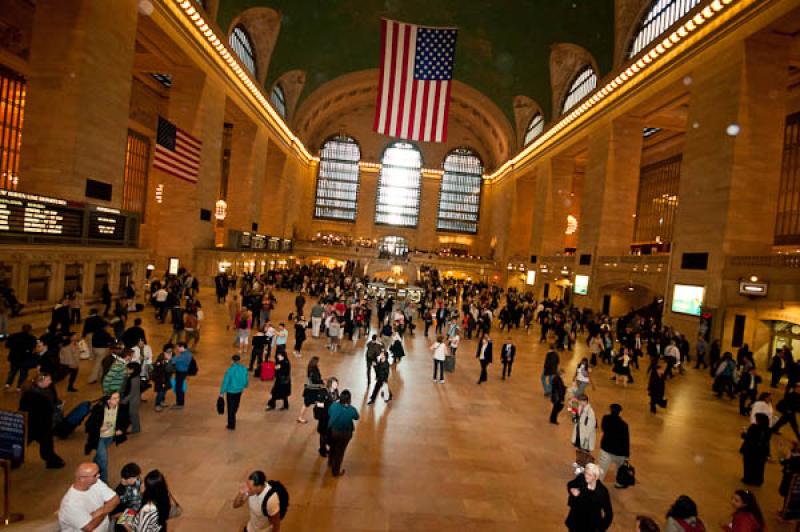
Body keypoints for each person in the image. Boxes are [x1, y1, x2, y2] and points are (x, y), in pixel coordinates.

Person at [19, 372, 65, 468]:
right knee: (46, 444)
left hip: (37, 424)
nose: (51, 382)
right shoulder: (32, 395)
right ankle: (52, 461)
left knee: (25, 442)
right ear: (40, 382)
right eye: (48, 380)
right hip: (38, 424)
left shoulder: (45, 391)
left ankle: (14, 460)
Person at [58, 462, 120, 532]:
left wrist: (99, 512)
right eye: (95, 475)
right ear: (82, 478)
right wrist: (106, 510)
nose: (99, 475)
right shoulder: (70, 504)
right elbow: (89, 527)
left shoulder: (96, 482)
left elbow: (115, 499)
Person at [84, 392, 129, 482]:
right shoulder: (99, 409)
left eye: (118, 397)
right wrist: (99, 429)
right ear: (108, 400)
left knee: (99, 456)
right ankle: (103, 481)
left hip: (110, 437)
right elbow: (88, 424)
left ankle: (92, 468)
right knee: (104, 459)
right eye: (114, 398)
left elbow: (126, 420)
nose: (118, 400)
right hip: (99, 437)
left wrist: (121, 429)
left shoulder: (122, 408)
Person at [565, 462, 613, 531]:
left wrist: (601, 529)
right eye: (586, 473)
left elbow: (609, 514)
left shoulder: (602, 492)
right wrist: (571, 490)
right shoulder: (581, 478)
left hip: (590, 524)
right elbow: (570, 484)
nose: (586, 476)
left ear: (596, 477)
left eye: (590, 475)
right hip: (575, 519)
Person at [328, 390, 359, 477]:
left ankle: (330, 462)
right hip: (345, 434)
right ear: (349, 399)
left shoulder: (334, 405)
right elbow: (357, 417)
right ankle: (335, 471)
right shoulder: (351, 409)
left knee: (333, 447)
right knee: (340, 452)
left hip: (333, 431)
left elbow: (329, 412)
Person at [598, 404, 629, 481]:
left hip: (606, 449)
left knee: (601, 471)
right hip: (619, 452)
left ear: (610, 410)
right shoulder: (624, 425)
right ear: (620, 412)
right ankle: (618, 483)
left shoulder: (605, 418)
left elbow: (603, 428)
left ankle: (597, 487)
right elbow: (626, 440)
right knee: (620, 470)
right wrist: (626, 455)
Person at [740, 413, 771, 486]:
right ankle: (758, 481)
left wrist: (743, 432)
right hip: (762, 452)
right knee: (759, 466)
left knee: (748, 465)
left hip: (750, 450)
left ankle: (747, 479)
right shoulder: (768, 430)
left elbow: (748, 437)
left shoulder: (753, 427)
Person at [220, 354, 249, 430]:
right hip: (239, 390)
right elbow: (246, 379)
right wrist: (245, 385)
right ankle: (233, 413)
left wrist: (222, 392)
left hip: (231, 391)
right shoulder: (244, 369)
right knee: (236, 404)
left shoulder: (230, 370)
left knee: (230, 407)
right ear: (239, 360)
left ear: (232, 361)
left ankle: (231, 425)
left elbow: (226, 381)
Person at [5, 323, 37, 390]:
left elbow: (7, 345)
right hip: (25, 358)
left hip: (14, 357)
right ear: (30, 330)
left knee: (12, 371)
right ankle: (19, 386)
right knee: (23, 373)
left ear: (22, 329)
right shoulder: (32, 338)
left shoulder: (14, 336)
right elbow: (33, 348)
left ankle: (8, 384)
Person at [315, 377, 339, 457]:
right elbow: (318, 404)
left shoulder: (336, 392)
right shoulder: (323, 392)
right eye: (334, 383)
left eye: (337, 383)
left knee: (329, 433)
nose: (336, 385)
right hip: (324, 417)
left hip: (331, 417)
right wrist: (330, 405)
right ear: (330, 384)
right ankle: (322, 449)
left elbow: (337, 399)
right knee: (323, 434)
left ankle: (325, 447)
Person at [298, 356, 324, 424]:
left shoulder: (312, 368)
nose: (319, 363)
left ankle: (321, 416)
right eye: (318, 362)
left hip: (312, 390)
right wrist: (322, 381)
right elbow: (316, 380)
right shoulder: (313, 371)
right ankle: (300, 417)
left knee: (316, 402)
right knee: (307, 404)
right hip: (311, 391)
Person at [121, 362, 142, 434]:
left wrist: (124, 400)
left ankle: (136, 429)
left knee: (133, 415)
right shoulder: (132, 377)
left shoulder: (134, 379)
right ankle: (135, 428)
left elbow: (133, 393)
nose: (126, 370)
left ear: (133, 370)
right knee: (132, 414)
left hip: (133, 401)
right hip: (132, 400)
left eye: (128, 369)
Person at [152, 345, 174, 412]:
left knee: (165, 390)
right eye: (168, 351)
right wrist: (167, 360)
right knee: (161, 391)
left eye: (171, 351)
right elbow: (157, 364)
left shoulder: (172, 355)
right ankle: (157, 404)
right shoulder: (161, 356)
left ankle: (162, 401)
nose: (170, 352)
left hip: (167, 377)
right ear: (164, 351)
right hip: (161, 378)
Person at [171, 342, 192, 409]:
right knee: (179, 387)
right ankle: (180, 403)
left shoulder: (184, 355)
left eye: (178, 347)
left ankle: (180, 404)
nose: (177, 349)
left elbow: (173, 361)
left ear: (182, 347)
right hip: (183, 372)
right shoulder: (188, 353)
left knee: (178, 388)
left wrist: (173, 356)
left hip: (180, 373)